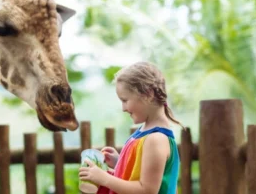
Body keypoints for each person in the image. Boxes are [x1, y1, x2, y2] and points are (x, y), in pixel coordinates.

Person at [78, 62, 182, 194]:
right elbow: (140, 176)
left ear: (148, 94)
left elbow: (146, 190)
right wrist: (120, 163)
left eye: (125, 100)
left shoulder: (156, 140)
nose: (123, 108)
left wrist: (105, 179)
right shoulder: (144, 133)